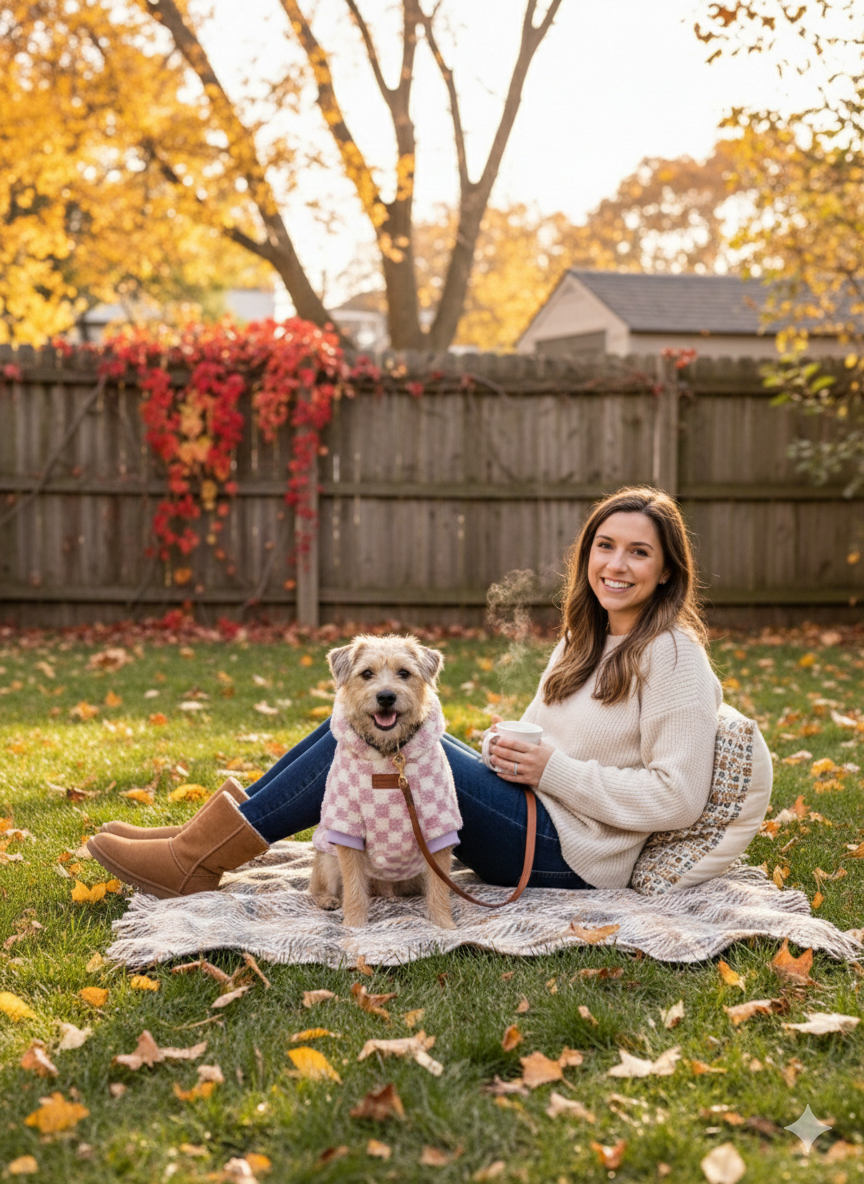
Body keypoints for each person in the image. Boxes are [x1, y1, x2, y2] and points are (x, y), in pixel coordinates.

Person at [88, 485, 724, 898]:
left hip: (573, 854)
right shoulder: (583, 640)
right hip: (535, 811)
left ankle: (201, 855)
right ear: (586, 555)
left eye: (638, 552)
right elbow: (548, 743)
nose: (616, 564)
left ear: (667, 569)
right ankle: (204, 840)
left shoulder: (672, 653)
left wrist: (553, 770)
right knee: (354, 726)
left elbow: (680, 798)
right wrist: (506, 749)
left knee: (401, 742)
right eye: (605, 546)